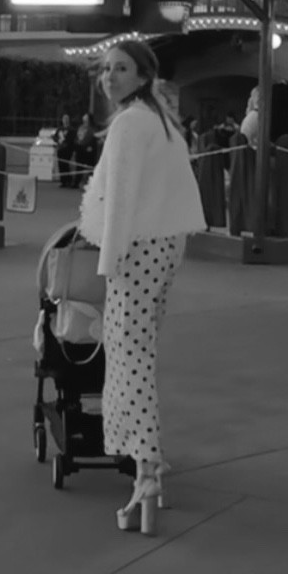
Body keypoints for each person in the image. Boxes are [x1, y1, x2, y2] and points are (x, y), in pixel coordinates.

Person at [78, 38, 206, 536]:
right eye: (106, 69)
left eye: (121, 69)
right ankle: (147, 457)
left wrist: (107, 261)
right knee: (140, 349)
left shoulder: (132, 123)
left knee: (128, 355)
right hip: (163, 243)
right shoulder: (160, 119)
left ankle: (146, 464)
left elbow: (121, 197)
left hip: (136, 247)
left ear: (142, 75)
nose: (110, 77)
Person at [71, 111, 99, 186]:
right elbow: (77, 137)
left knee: (90, 167)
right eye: (84, 117)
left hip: (88, 150)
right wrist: (76, 145)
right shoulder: (81, 127)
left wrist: (90, 146)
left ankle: (90, 183)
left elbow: (94, 138)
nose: (84, 119)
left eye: (86, 118)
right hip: (80, 149)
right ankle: (76, 182)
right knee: (78, 166)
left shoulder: (92, 128)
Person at [54, 113, 77, 188]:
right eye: (64, 119)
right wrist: (58, 140)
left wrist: (65, 142)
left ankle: (69, 180)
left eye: (67, 119)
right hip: (60, 149)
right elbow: (55, 137)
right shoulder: (59, 129)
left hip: (68, 150)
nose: (65, 120)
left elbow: (72, 140)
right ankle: (63, 181)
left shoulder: (72, 129)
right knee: (61, 165)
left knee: (66, 165)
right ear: (62, 120)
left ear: (69, 120)